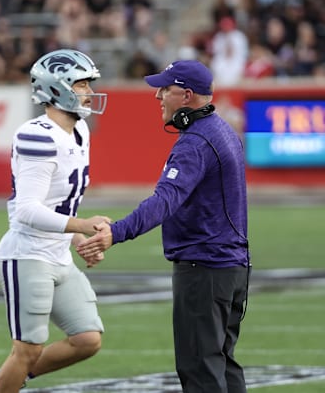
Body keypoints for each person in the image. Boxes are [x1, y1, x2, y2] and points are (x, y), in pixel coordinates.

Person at [77, 60, 250, 393]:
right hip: (231, 268)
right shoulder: (222, 130)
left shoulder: (195, 143)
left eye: (165, 89)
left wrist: (117, 232)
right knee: (223, 366)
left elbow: (164, 201)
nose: (157, 95)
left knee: (200, 370)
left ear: (185, 96)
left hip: (205, 269)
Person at [0, 49, 111, 393]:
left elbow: (58, 202)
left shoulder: (79, 129)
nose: (88, 91)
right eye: (81, 83)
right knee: (27, 349)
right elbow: (26, 209)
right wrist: (82, 226)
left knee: (87, 339)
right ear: (58, 88)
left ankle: (2, 379)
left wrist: (77, 240)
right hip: (27, 254)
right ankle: (6, 381)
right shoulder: (37, 134)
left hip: (57, 254)